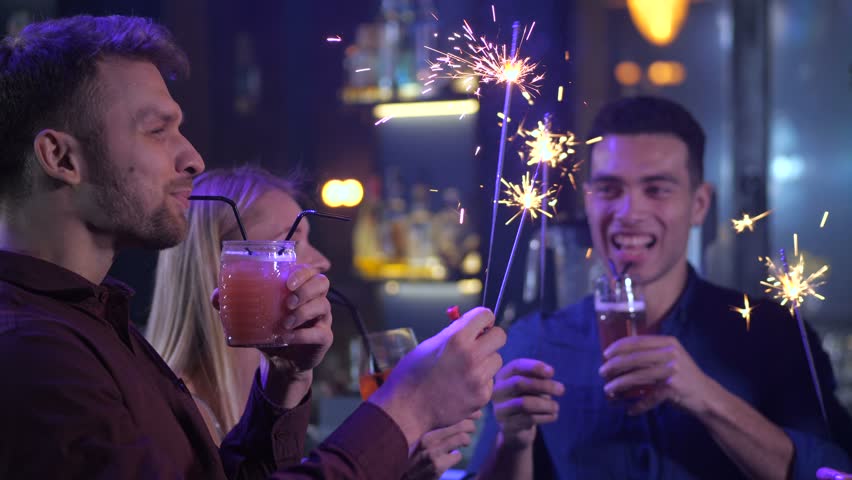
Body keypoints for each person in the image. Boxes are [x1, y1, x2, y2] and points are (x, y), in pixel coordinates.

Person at [0, 15, 506, 479]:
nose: (193, 158)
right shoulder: (34, 354)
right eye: (157, 131)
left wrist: (282, 383)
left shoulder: (97, 322)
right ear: (61, 157)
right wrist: (409, 406)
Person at [469, 96, 852, 479]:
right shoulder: (533, 343)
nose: (629, 213)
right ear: (588, 200)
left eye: (657, 189)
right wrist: (512, 442)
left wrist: (704, 397)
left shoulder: (774, 334)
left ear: (699, 204)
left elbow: (832, 471)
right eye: (609, 189)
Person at [146, 165, 478, 477]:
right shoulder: (168, 417)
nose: (323, 261)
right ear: (224, 268)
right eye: (287, 244)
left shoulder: (286, 402)